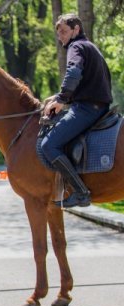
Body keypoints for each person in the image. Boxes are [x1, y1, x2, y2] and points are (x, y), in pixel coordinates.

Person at [41, 13, 112, 208]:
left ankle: (81, 192)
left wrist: (62, 100)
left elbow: (73, 73)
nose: (61, 37)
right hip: (98, 106)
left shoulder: (76, 46)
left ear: (76, 30)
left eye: (64, 32)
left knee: (49, 144)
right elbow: (86, 83)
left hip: (87, 109)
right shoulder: (91, 48)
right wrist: (57, 96)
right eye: (59, 34)